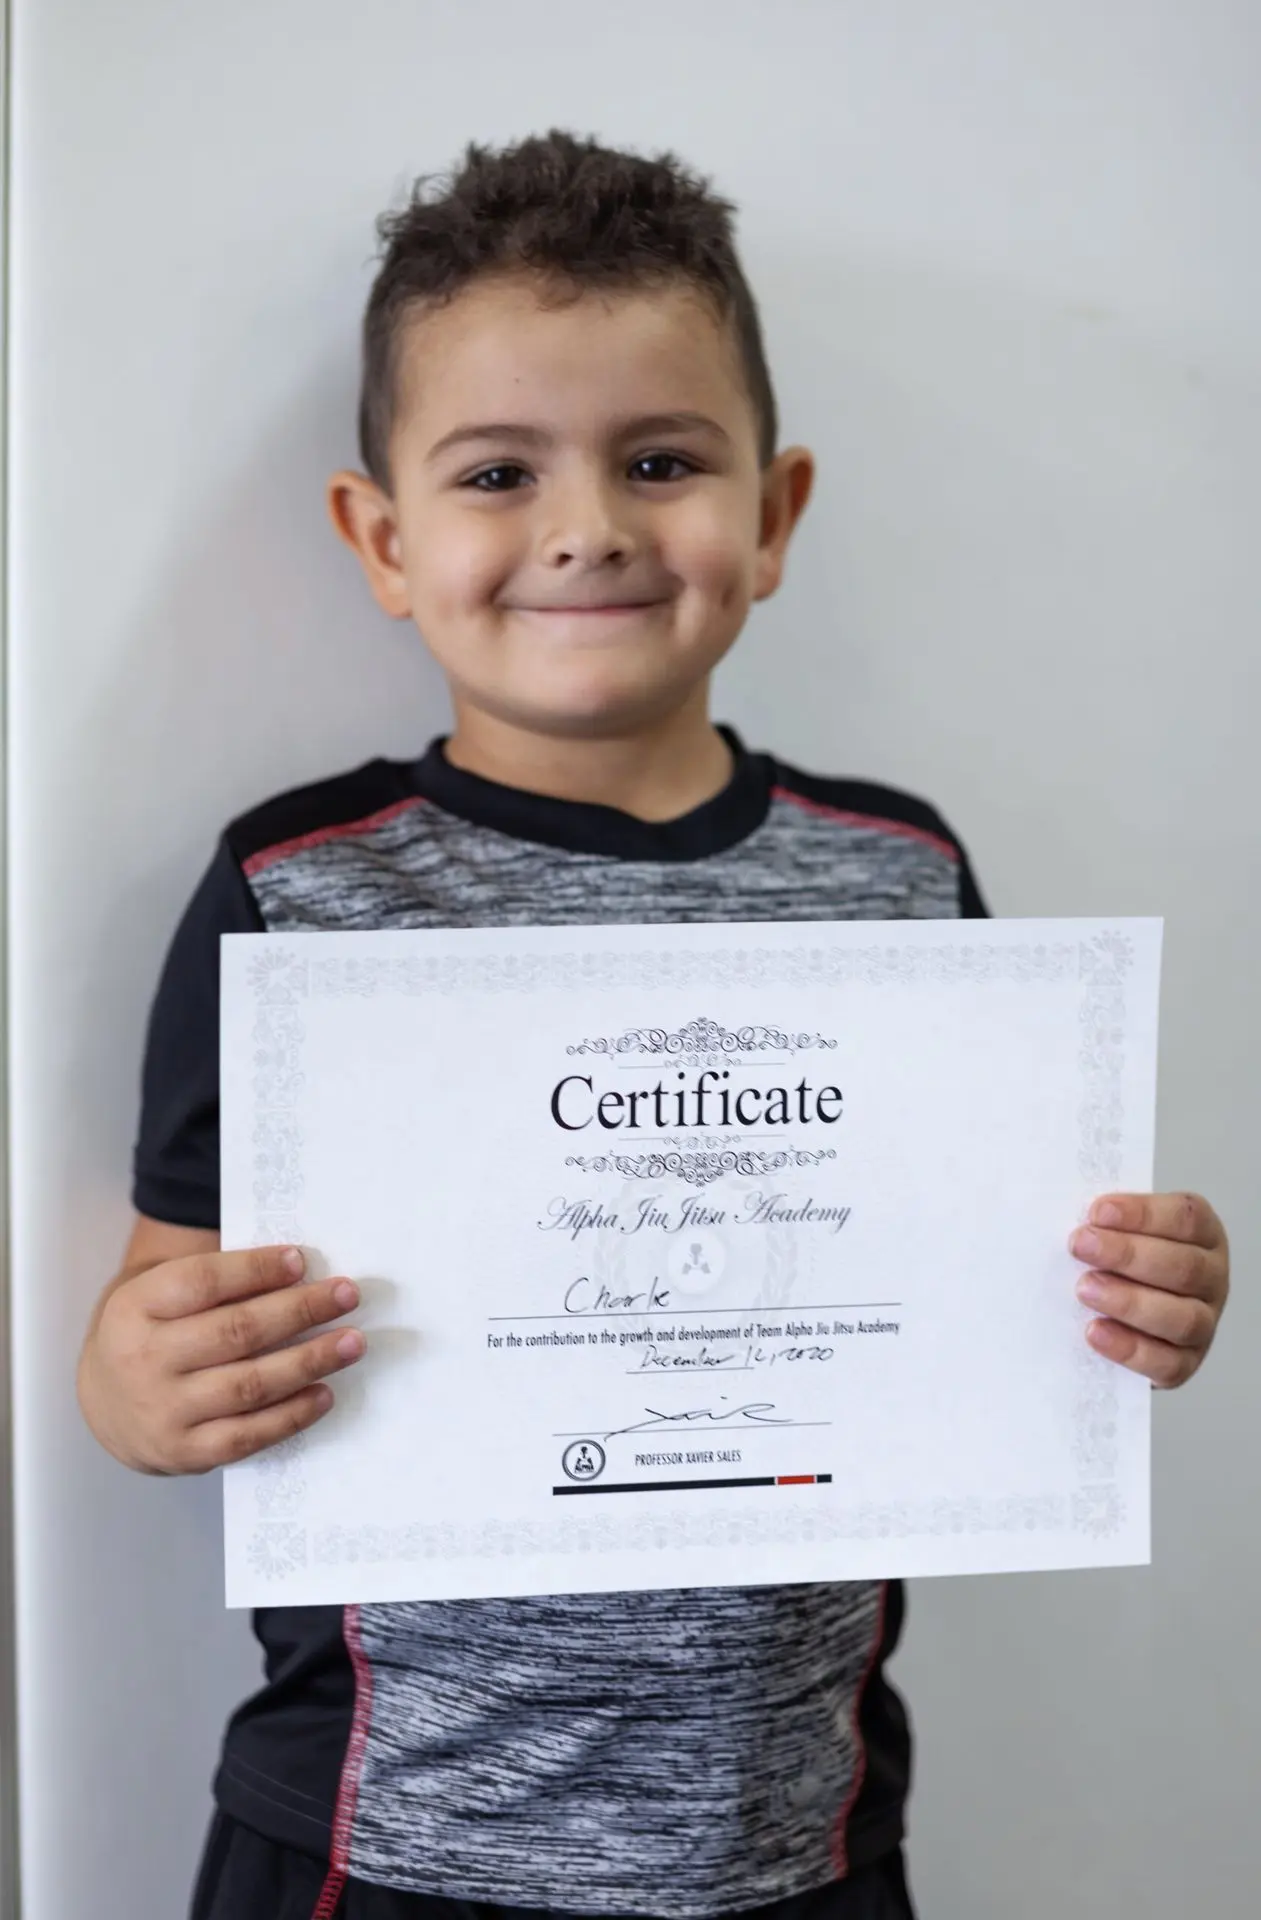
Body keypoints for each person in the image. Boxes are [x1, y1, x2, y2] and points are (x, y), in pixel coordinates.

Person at [76, 130, 1231, 1920]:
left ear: (771, 519)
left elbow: (1002, 1299)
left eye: (662, 460)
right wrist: (142, 1392)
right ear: (382, 543)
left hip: (804, 1844)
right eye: (495, 472)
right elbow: (148, 1334)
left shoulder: (901, 882)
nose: (590, 526)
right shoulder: (299, 893)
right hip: (387, 1847)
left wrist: (1136, 1294)